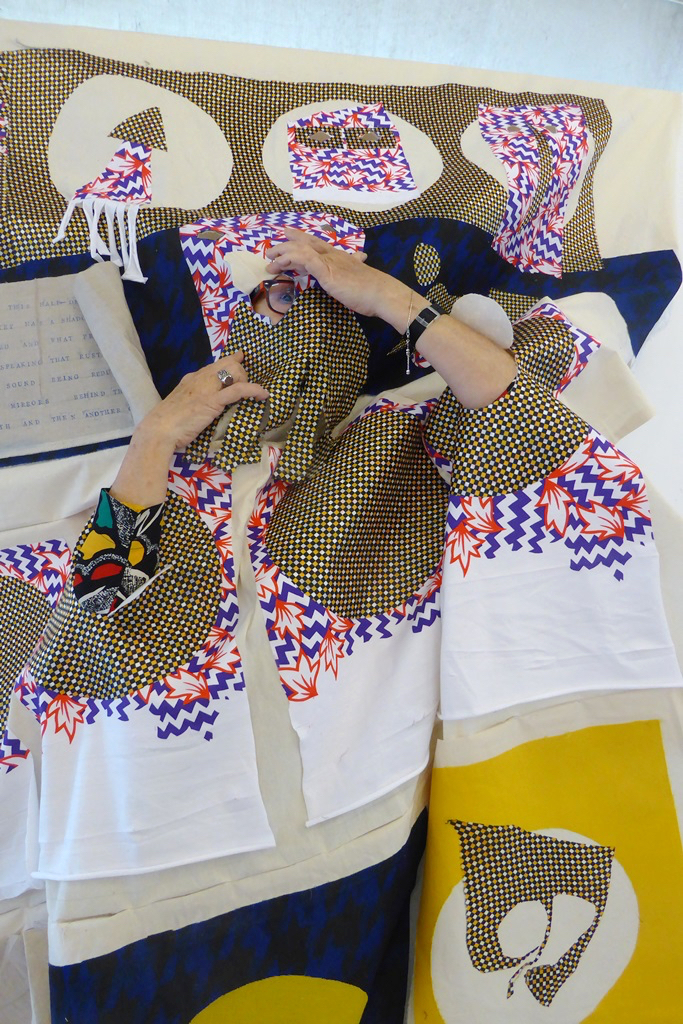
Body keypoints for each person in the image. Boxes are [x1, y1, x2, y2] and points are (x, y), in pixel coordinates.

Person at [71, 228, 516, 612]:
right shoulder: (171, 476)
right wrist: (155, 434)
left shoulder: (389, 434)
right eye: (286, 298)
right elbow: (100, 599)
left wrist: (386, 296)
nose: (308, 328)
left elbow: (513, 410)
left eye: (333, 307)